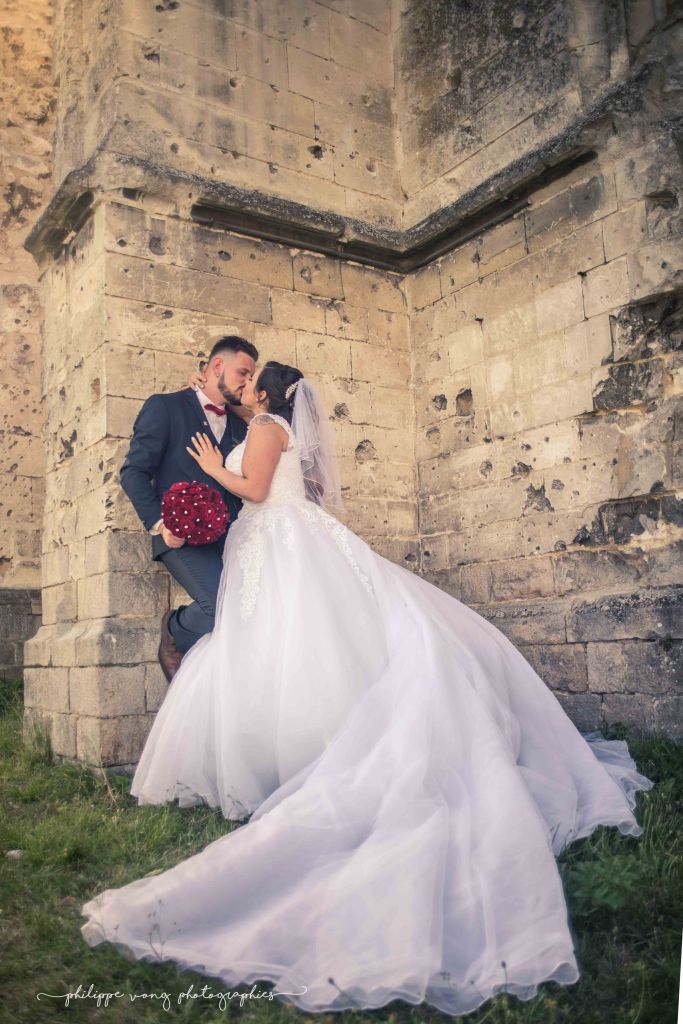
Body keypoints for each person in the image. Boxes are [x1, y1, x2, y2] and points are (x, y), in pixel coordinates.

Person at [81, 361, 654, 1016]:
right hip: (278, 541)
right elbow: (306, 486)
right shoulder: (274, 423)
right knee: (285, 640)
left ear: (266, 394)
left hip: (275, 533)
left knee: (291, 643)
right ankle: (289, 753)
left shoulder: (265, 425)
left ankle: (302, 755)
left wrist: (213, 466)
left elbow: (259, 490)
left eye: (249, 382)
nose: (241, 390)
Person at [119, 335, 258, 680]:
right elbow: (134, 472)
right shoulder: (165, 406)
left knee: (250, 611)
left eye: (252, 376)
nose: (248, 382)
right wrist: (161, 525)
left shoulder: (244, 426)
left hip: (233, 538)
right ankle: (175, 631)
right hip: (179, 536)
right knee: (217, 609)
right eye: (243, 372)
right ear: (216, 366)